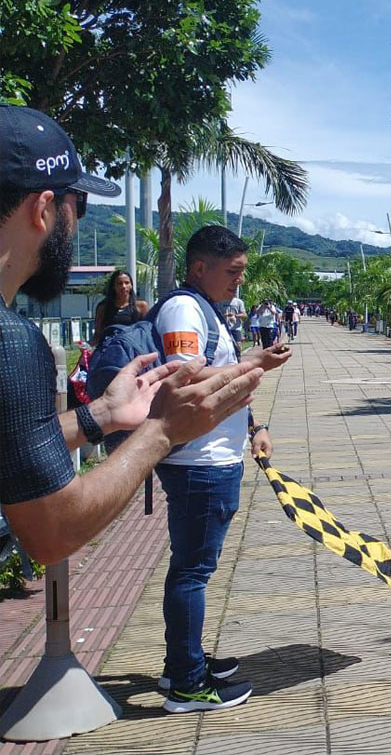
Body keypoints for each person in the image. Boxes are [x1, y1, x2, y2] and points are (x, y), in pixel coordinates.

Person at [0, 103, 264, 567]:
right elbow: (53, 533)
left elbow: (11, 448)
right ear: (43, 209)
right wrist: (161, 432)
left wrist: (100, 415)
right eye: (78, 205)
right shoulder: (11, 343)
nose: (77, 223)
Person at [153, 225, 292, 712]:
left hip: (215, 456)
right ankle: (187, 684)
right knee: (192, 572)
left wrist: (255, 425)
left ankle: (183, 661)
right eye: (232, 271)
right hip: (198, 461)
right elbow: (185, 379)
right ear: (199, 268)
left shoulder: (206, 309)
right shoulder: (183, 310)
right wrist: (253, 362)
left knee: (193, 568)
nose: (239, 281)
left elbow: (222, 380)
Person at [89, 268, 150, 347]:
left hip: (134, 349)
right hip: (110, 349)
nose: (123, 286)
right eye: (119, 283)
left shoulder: (141, 306)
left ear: (131, 285)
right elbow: (97, 336)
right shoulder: (104, 308)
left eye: (127, 283)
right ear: (113, 286)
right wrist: (87, 346)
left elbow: (147, 332)